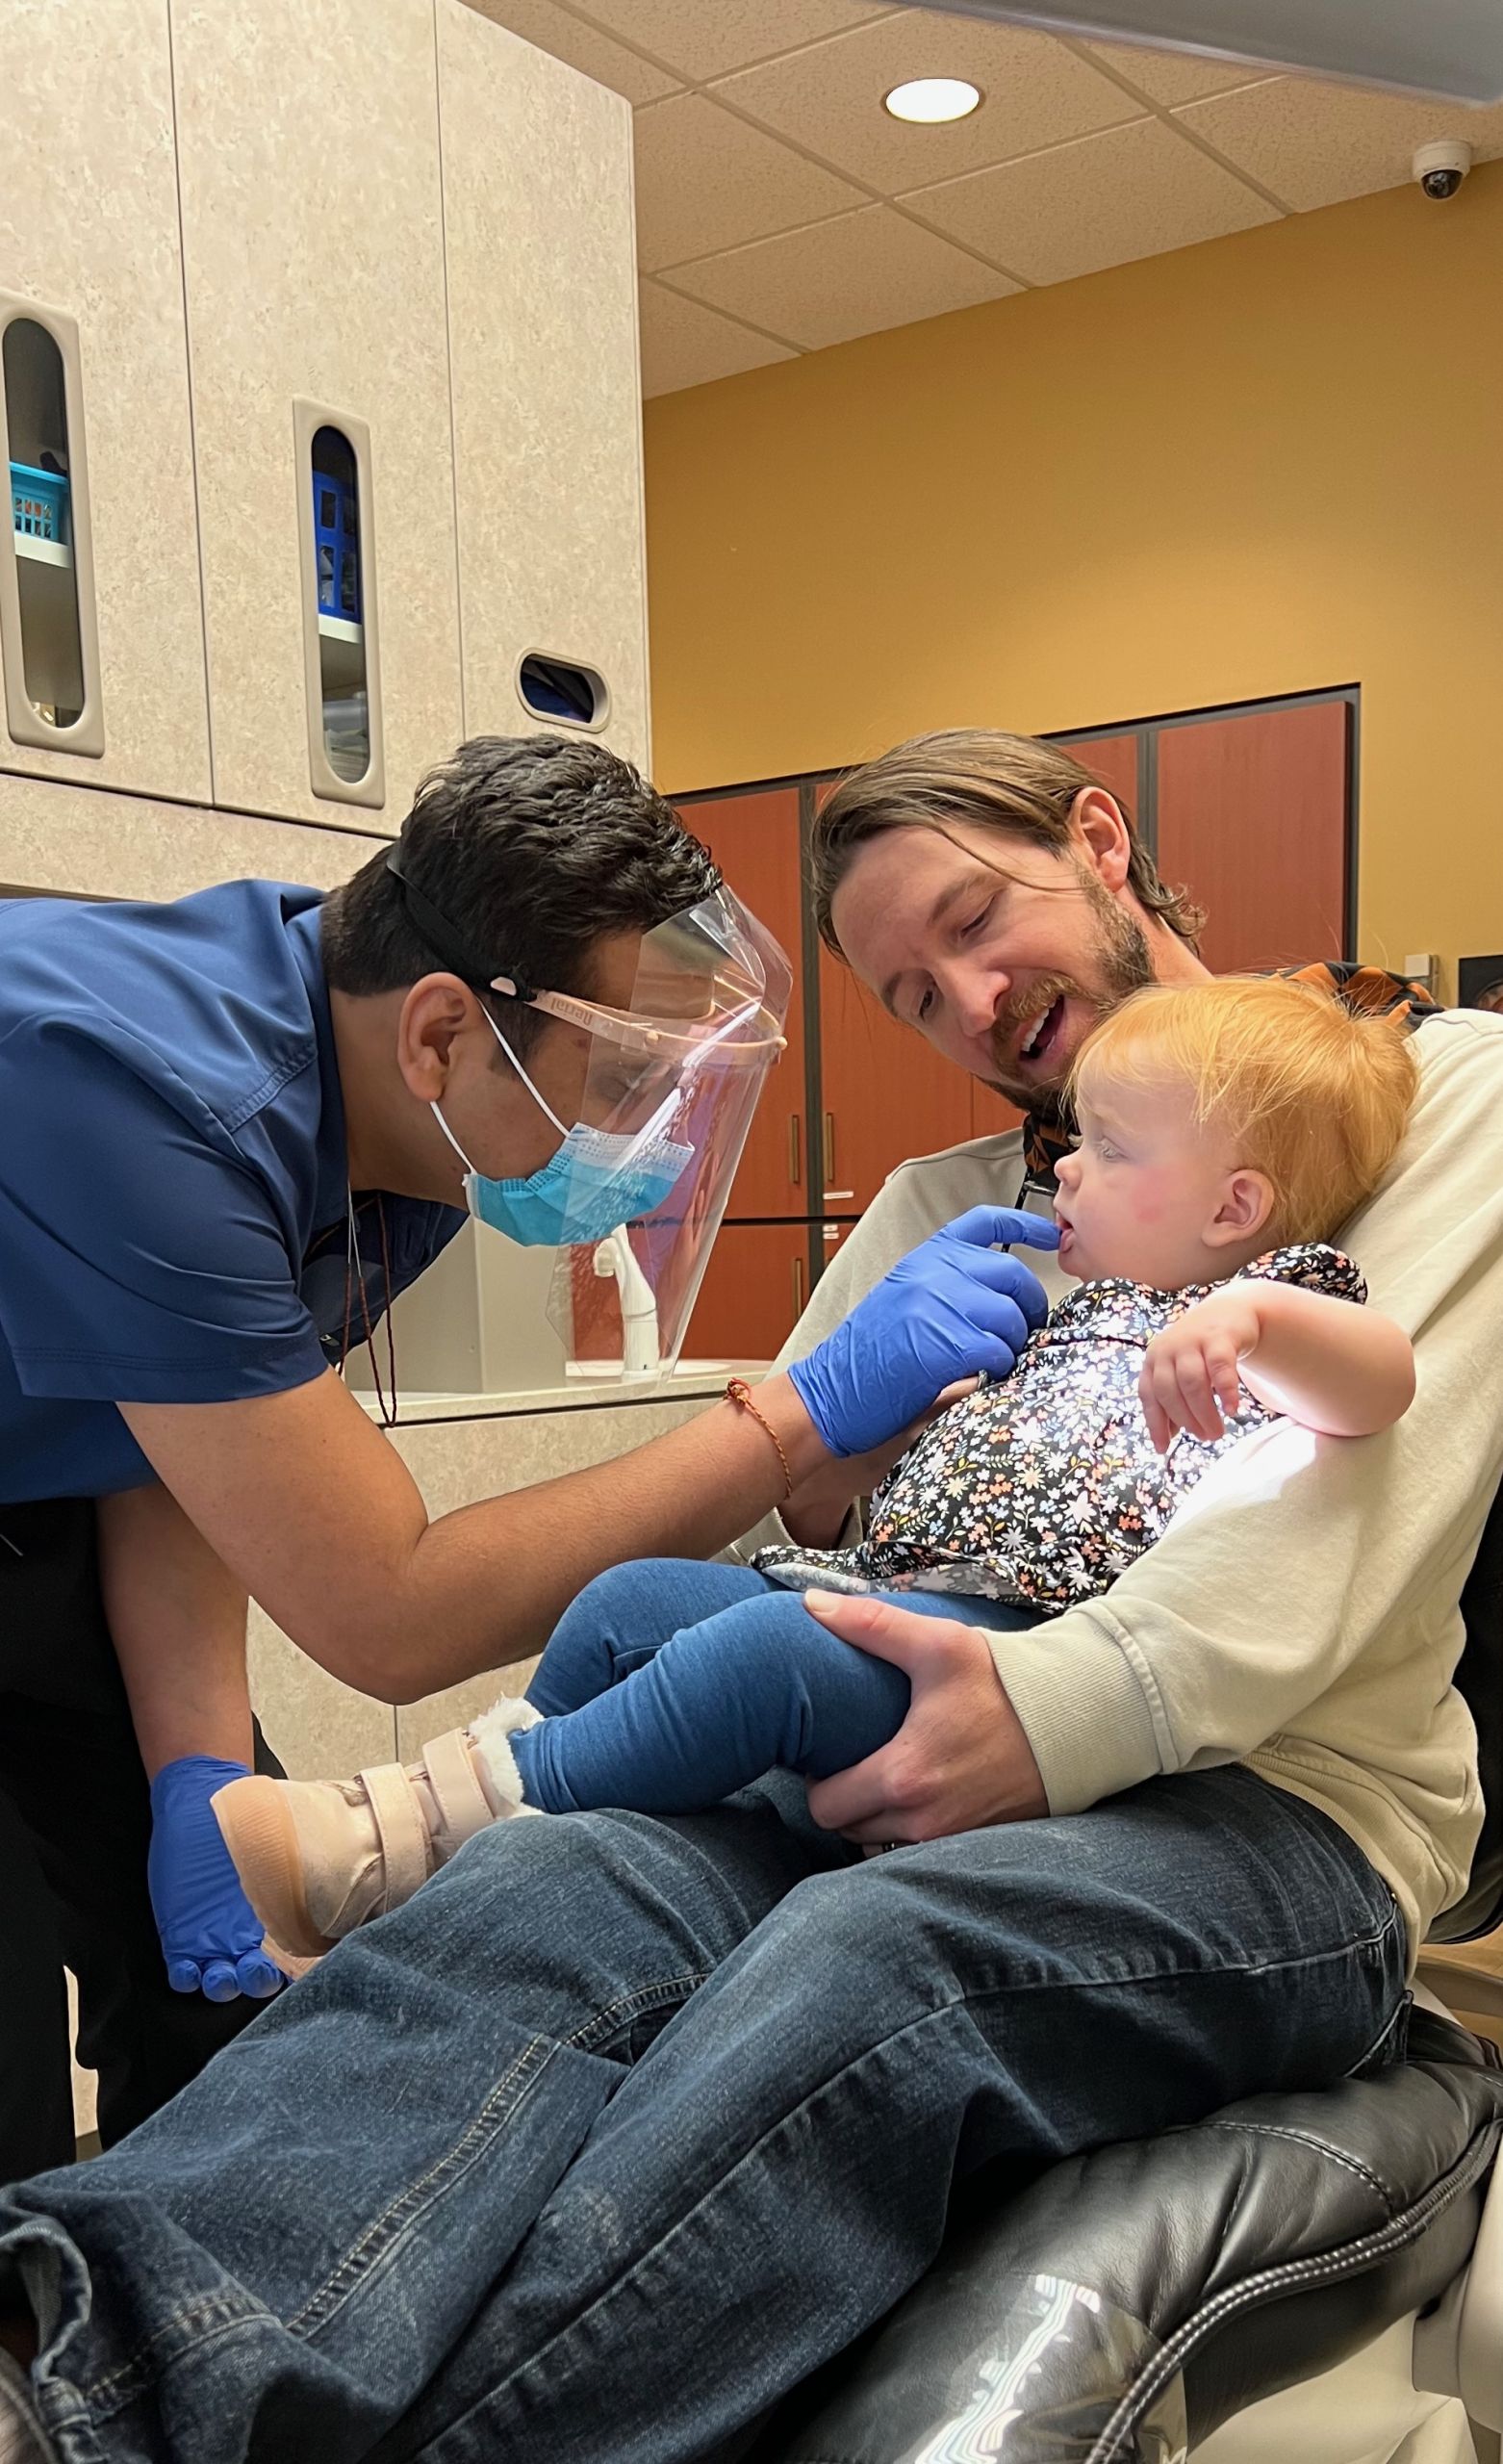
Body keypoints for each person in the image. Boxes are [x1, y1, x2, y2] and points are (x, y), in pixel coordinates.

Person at [2, 730, 1500, 2464]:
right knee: (550, 1891)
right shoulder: (955, 1209)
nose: (964, 1004)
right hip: (873, 1725)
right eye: (909, 995)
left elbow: (1345, 1497)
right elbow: (780, 1539)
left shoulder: (1440, 1094)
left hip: (1247, 1803)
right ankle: (75, 2390)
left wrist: (1034, 1708)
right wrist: (551, 1752)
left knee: (871, 1961)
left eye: (970, 922)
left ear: (1101, 843)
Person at [0, 732, 1048, 2184]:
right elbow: (390, 1604)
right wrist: (798, 1411)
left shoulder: (392, 1118)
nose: (651, 1145)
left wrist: (194, 1775)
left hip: (39, 1494)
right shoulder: (149, 1098)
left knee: (223, 1981)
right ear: (439, 1032)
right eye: (622, 1080)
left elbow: (179, 1436)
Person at [208, 974, 1418, 1953]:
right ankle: (477, 1821)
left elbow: (1378, 1384)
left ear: (1231, 1206)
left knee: (761, 1660)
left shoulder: (1265, 1308)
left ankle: (418, 1827)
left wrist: (1253, 1328)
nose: (1066, 1169)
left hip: (999, 1658)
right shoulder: (1075, 1311)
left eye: (1107, 1146)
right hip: (886, 1590)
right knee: (630, 1599)